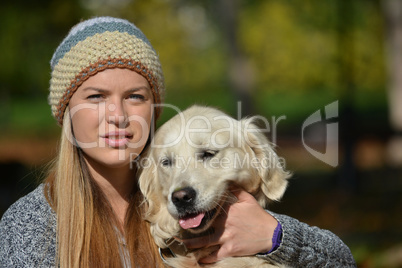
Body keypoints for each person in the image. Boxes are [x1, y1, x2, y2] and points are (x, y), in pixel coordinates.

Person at [0, 16, 356, 267]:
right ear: (66, 114)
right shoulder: (30, 226)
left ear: (154, 112)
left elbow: (343, 261)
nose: (117, 115)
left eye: (135, 96)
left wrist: (276, 237)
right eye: (95, 97)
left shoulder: (198, 210)